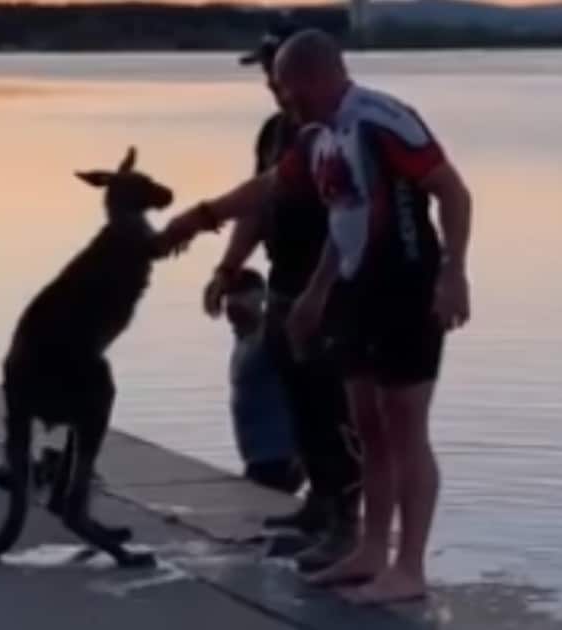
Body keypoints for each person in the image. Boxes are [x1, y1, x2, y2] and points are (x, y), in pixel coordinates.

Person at [159, 29, 473, 606]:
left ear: (322, 77)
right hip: (355, 291)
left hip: (407, 287)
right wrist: (201, 221)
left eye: (292, 88)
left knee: (406, 429)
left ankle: (409, 567)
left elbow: (452, 190)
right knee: (369, 429)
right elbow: (288, 196)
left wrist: (453, 273)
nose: (286, 99)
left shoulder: (383, 120)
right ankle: (370, 549)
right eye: (280, 89)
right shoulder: (318, 137)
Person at [207, 20, 365, 574]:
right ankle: (317, 505)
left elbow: (351, 218)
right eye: (269, 74)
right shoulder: (277, 130)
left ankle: (347, 524)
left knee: (332, 405)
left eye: (277, 71)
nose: (272, 84)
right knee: (296, 399)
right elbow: (258, 203)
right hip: (284, 278)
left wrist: (322, 292)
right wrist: (229, 265)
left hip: (333, 287)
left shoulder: (342, 128)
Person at [222, 268, 305, 494]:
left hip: (279, 458)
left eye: (240, 295)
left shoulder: (272, 335)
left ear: (259, 298)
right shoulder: (241, 337)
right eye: (229, 295)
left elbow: (304, 389)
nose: (232, 302)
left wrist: (303, 455)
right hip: (256, 458)